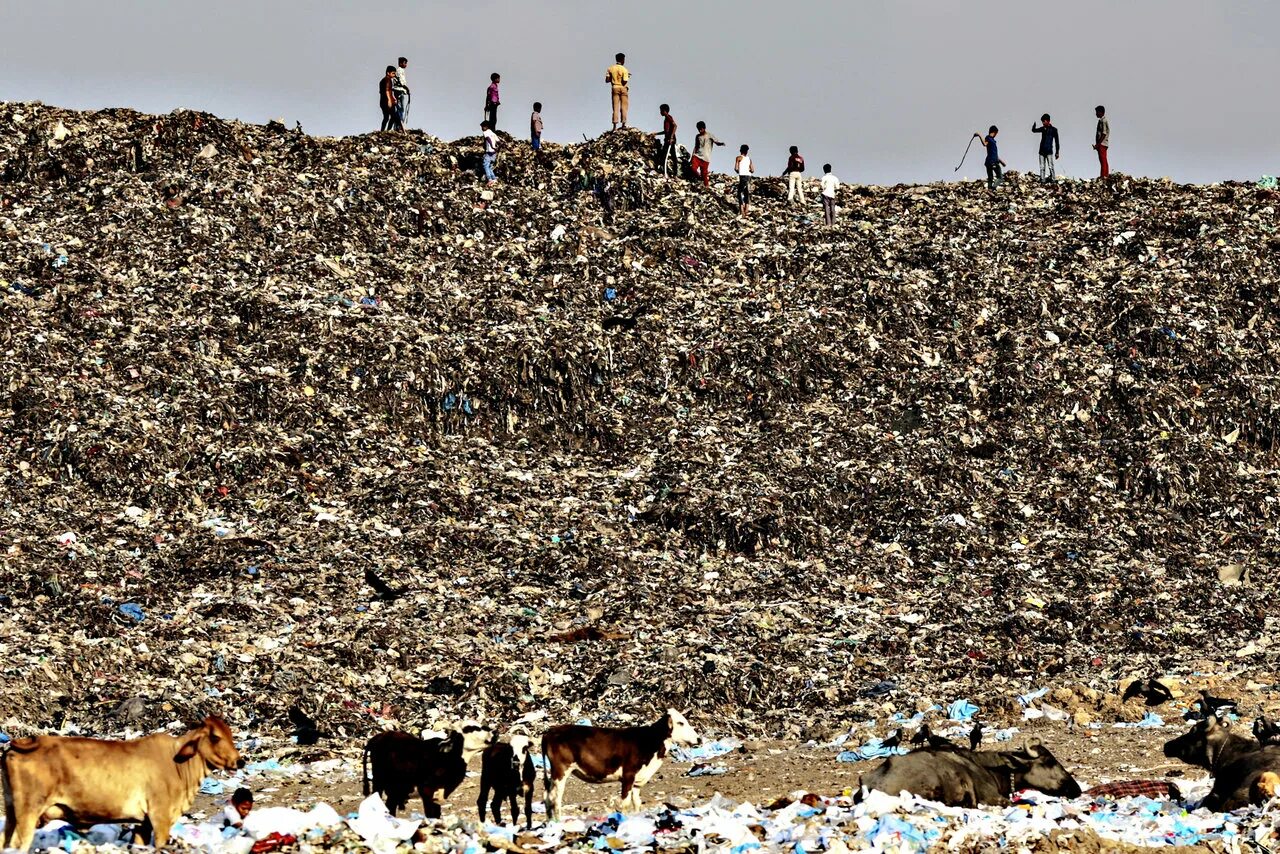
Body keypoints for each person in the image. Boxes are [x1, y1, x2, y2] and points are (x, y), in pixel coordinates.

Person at [690, 121, 723, 187]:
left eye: (701, 129)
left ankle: (706, 186)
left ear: (704, 128)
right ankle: (699, 178)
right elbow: (696, 146)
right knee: (693, 168)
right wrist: (692, 155)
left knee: (704, 174)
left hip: (706, 158)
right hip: (697, 156)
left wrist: (721, 144)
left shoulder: (709, 135)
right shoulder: (697, 136)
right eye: (698, 129)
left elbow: (716, 142)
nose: (700, 130)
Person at [1030, 114, 1060, 182]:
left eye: (1044, 121)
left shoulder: (1054, 130)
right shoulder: (1043, 129)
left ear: (1048, 121)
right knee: (1042, 167)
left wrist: (1057, 152)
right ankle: (1042, 180)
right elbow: (1034, 130)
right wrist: (1033, 126)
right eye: (1042, 121)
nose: (1043, 123)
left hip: (1049, 151)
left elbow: (1057, 142)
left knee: (1050, 166)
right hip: (1042, 151)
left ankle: (1053, 179)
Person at [975, 125, 1005, 190]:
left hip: (988, 162)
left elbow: (994, 153)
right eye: (996, 133)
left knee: (990, 178)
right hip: (993, 162)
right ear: (995, 132)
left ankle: (989, 190)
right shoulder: (988, 138)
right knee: (1000, 178)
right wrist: (979, 135)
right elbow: (984, 144)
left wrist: (1002, 162)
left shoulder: (992, 141)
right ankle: (993, 188)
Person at [606, 53, 630, 130]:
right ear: (623, 60)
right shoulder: (624, 69)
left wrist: (613, 78)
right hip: (622, 88)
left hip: (614, 87)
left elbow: (607, 80)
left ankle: (614, 126)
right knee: (624, 107)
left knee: (615, 107)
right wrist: (628, 76)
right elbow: (624, 81)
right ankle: (623, 124)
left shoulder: (610, 68)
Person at [652, 104, 677, 177]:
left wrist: (671, 138)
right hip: (667, 139)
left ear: (664, 111)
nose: (660, 112)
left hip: (670, 140)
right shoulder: (666, 119)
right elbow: (666, 131)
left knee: (667, 155)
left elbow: (675, 126)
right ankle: (669, 172)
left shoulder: (668, 117)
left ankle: (669, 173)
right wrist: (656, 133)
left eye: (661, 111)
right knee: (669, 155)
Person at [734, 144, 755, 216]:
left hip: (742, 176)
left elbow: (736, 168)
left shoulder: (738, 158)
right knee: (747, 193)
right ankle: (746, 210)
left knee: (740, 193)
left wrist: (739, 171)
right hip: (749, 177)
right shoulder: (749, 159)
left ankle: (742, 211)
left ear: (740, 150)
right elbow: (752, 170)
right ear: (747, 151)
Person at [379, 66, 401, 132]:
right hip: (387, 101)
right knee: (393, 117)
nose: (394, 75)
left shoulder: (383, 80)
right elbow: (387, 91)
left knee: (386, 117)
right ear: (388, 73)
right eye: (393, 73)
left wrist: (393, 98)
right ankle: (388, 130)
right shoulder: (388, 80)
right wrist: (389, 100)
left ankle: (382, 131)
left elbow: (389, 91)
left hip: (383, 101)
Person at [393, 57, 410, 128]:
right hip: (399, 91)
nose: (406, 65)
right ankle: (399, 126)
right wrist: (407, 89)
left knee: (400, 108)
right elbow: (402, 82)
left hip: (400, 91)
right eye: (405, 63)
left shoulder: (400, 70)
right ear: (400, 63)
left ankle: (399, 125)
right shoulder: (400, 70)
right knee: (400, 109)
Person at [1094, 105, 1110, 178]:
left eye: (1097, 112)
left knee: (1103, 161)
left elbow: (1103, 133)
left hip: (1102, 144)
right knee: (1104, 160)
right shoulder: (1102, 120)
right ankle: (1105, 175)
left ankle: (1103, 176)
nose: (1096, 114)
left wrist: (1098, 144)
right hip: (1103, 143)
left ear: (1101, 112)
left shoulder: (1103, 121)